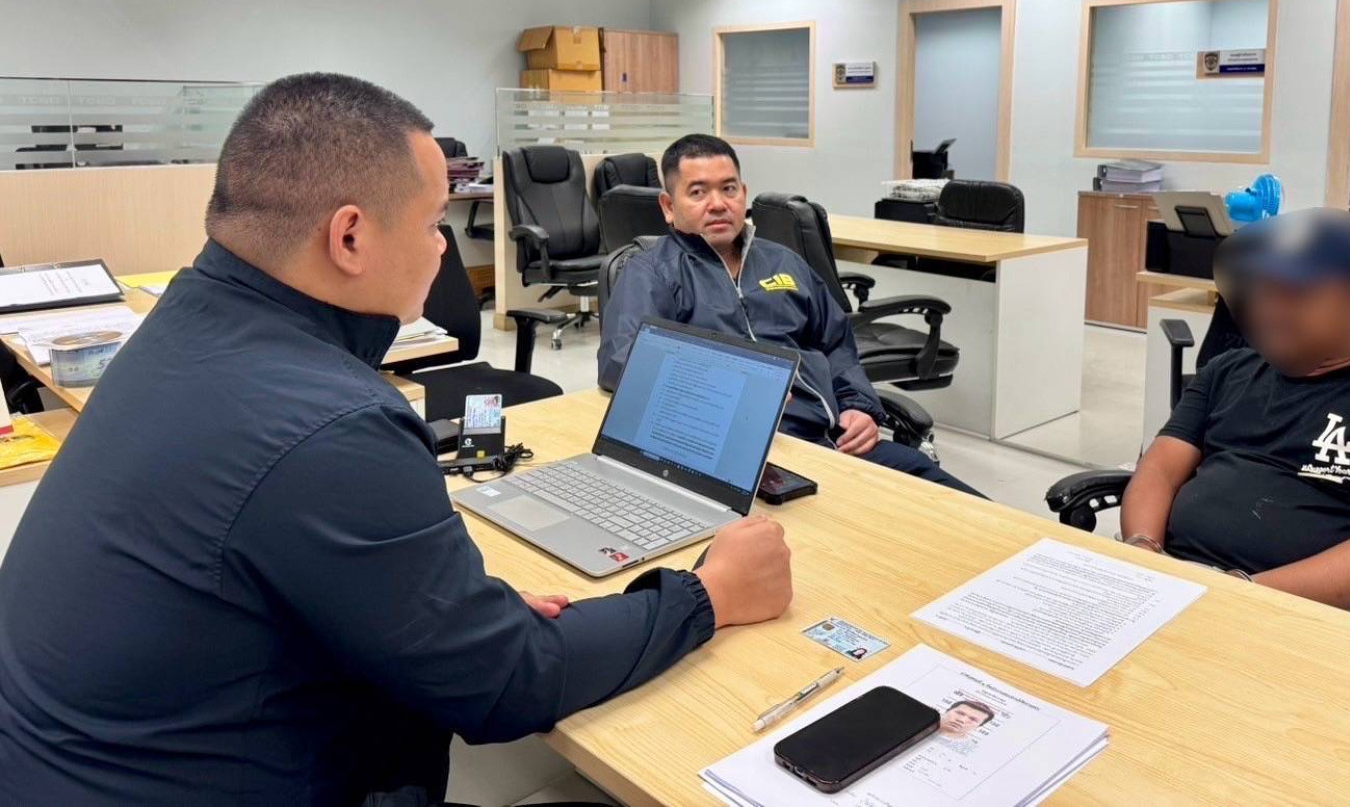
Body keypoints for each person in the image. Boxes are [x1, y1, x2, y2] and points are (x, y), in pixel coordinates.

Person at [0, 74, 793, 807]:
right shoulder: (333, 424)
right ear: (349, 237)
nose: (444, 247)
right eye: (434, 222)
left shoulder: (186, 322)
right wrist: (707, 596)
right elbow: (508, 682)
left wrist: (438, 607)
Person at [1120, 208, 1350, 609]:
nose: (1268, 310)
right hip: (1173, 584)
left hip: (1286, 610)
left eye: (1295, 293)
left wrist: (1234, 593)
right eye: (1262, 291)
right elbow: (1159, 468)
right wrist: (1142, 553)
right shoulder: (1228, 370)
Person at [598, 133, 980, 496]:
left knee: (960, 504)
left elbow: (836, 342)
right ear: (669, 207)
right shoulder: (652, 273)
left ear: (743, 193)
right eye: (698, 192)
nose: (717, 204)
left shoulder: (782, 262)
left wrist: (858, 406)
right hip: (742, 457)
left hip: (834, 442)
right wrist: (739, 388)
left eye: (728, 188)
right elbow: (623, 364)